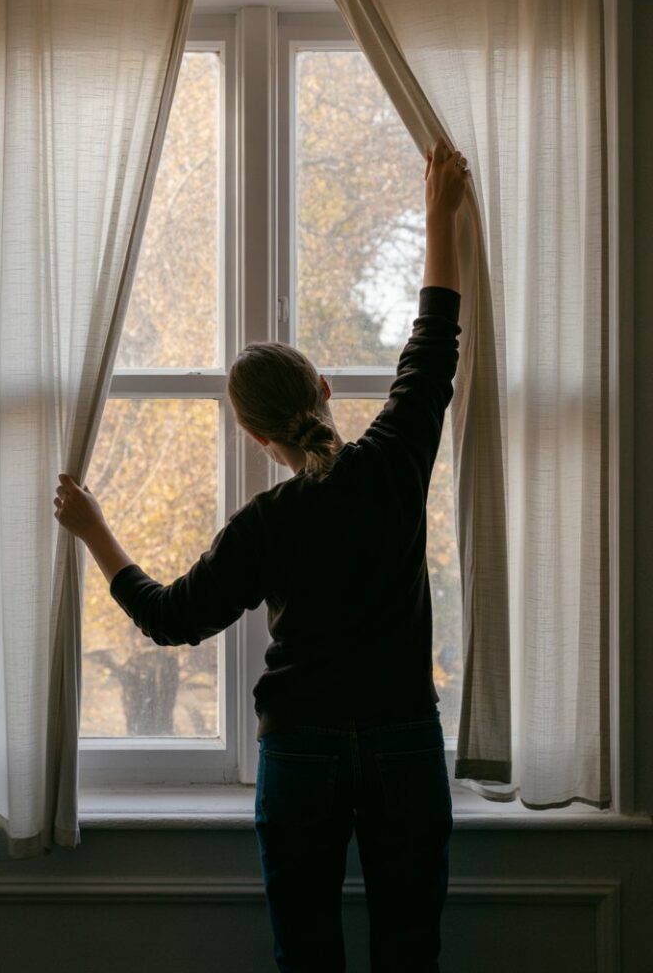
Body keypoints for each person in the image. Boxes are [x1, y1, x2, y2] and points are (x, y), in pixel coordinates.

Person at [54, 137, 469, 973]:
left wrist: (94, 530)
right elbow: (435, 336)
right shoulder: (392, 461)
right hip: (401, 742)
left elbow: (170, 620)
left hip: (302, 752)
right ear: (323, 390)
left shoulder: (265, 526)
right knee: (410, 956)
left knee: (306, 960)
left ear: (251, 436)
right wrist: (437, 210)